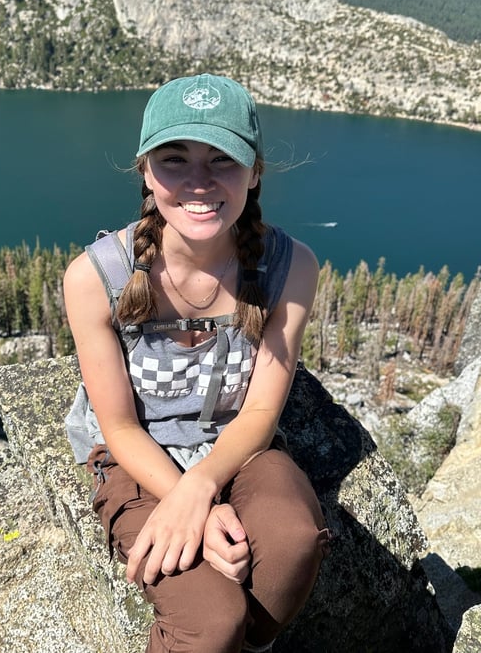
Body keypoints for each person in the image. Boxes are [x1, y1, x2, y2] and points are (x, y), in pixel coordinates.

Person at [63, 73, 330, 653]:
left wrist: (200, 489)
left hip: (236, 447)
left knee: (291, 543)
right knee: (209, 622)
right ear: (145, 171)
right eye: (175, 159)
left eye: (223, 160)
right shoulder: (95, 279)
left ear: (255, 171)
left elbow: (260, 410)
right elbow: (119, 426)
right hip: (137, 459)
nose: (199, 183)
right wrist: (189, 505)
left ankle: (249, 644)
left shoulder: (292, 268)